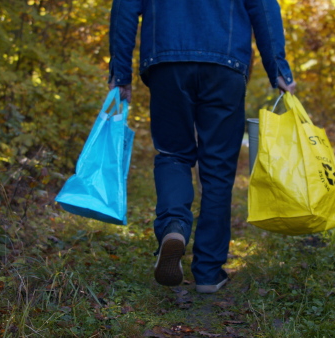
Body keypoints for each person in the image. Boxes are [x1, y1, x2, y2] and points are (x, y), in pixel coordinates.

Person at [108, 0, 296, 293]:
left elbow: (125, 8)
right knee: (218, 167)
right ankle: (208, 272)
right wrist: (279, 69)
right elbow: (263, 8)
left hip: (166, 62)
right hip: (225, 62)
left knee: (173, 154)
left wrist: (121, 72)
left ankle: (174, 227)